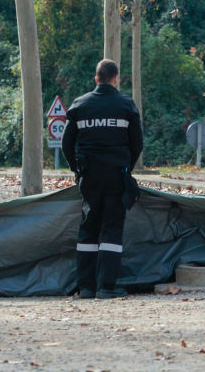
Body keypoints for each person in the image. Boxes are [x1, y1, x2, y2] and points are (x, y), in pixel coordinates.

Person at [62, 58, 143, 300]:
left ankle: (86, 287)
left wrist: (76, 168)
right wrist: (127, 167)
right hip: (117, 174)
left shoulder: (79, 105)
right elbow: (137, 144)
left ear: (96, 79)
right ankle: (106, 287)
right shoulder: (126, 106)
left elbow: (67, 144)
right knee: (112, 228)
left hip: (90, 175)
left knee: (89, 228)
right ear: (116, 78)